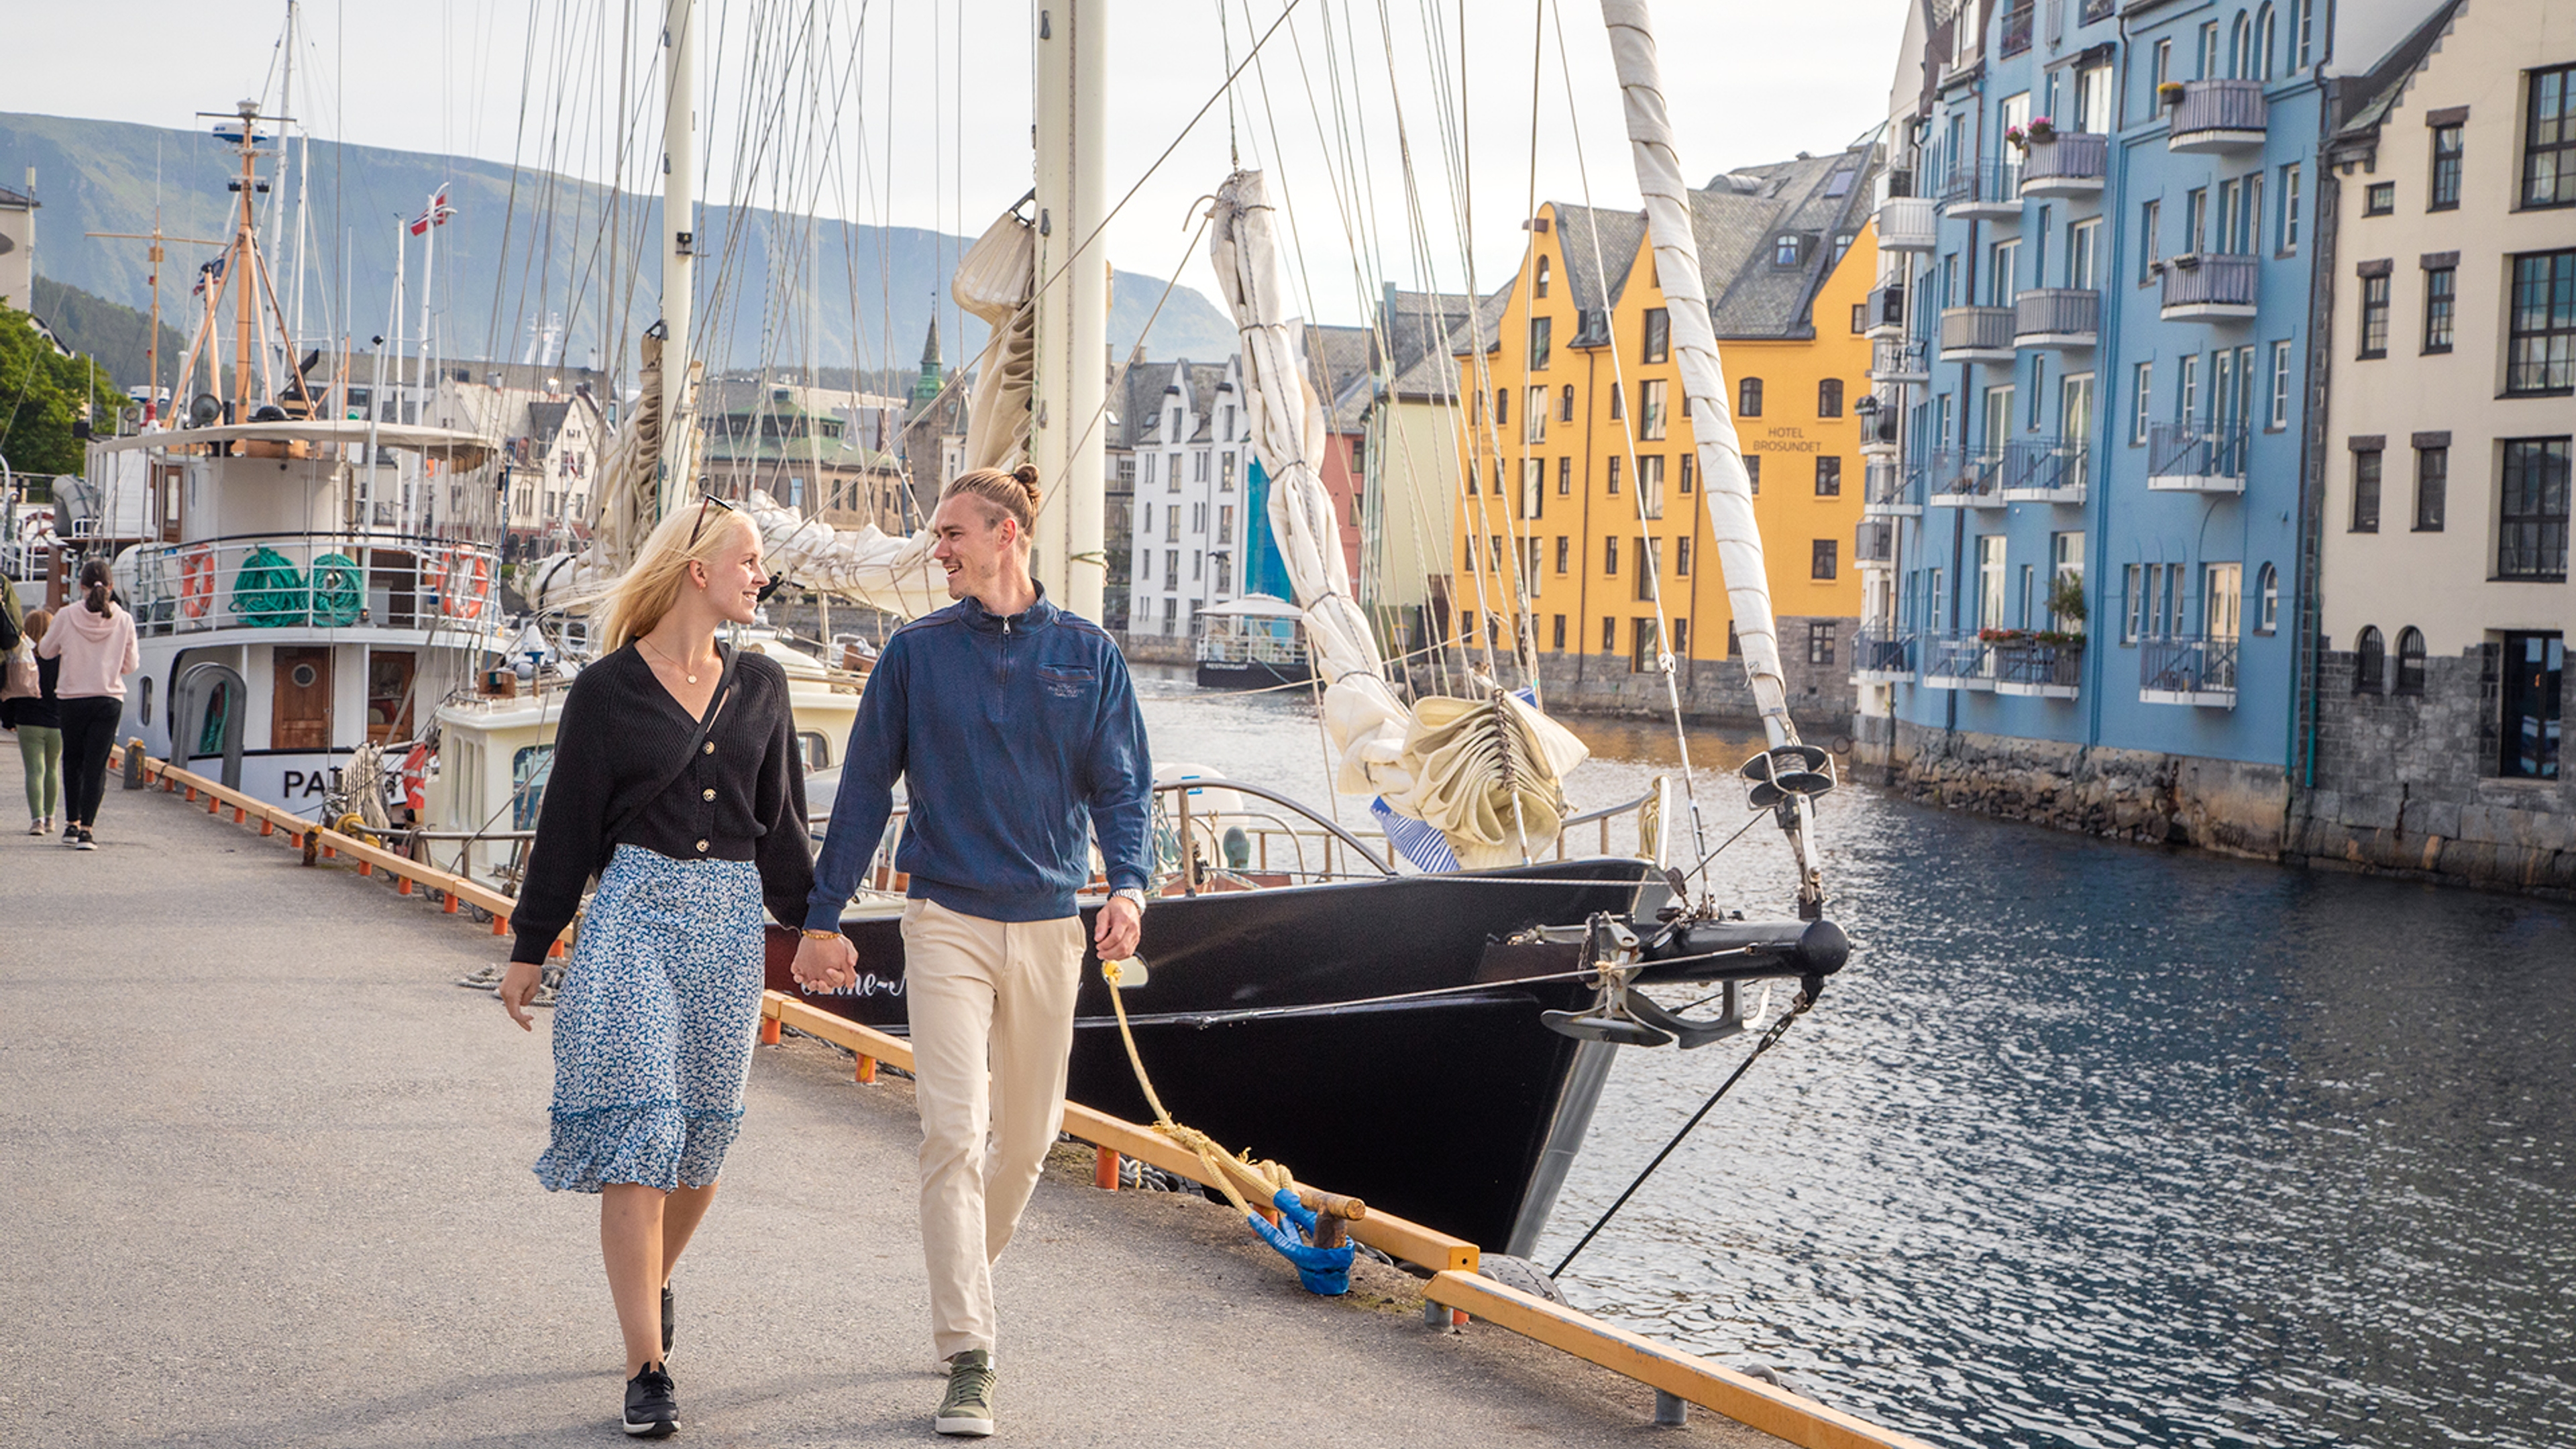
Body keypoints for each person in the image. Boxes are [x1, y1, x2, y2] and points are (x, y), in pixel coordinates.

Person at [797, 463, 1152, 1439]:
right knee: (954, 1132)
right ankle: (971, 1353)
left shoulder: (1088, 653)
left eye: (952, 534)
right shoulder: (916, 654)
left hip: (1049, 923)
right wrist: (826, 916)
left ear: (1007, 535)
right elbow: (864, 790)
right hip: (945, 919)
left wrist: (1128, 885)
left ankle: (963, 1286)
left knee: (1031, 1140)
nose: (937, 549)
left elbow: (1124, 789)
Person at [495, 497, 814, 1440]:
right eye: (751, 559)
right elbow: (566, 832)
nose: (764, 575)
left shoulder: (763, 687)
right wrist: (529, 946)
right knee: (643, 1133)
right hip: (633, 916)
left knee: (702, 1143)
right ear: (698, 570)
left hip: (729, 923)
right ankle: (648, 1368)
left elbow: (784, 833)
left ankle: (654, 1286)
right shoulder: (605, 692)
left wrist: (817, 926)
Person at [39, 562, 140, 851]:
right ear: (110, 587)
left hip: (72, 697)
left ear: (81, 586)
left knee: (73, 761)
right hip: (109, 698)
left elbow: (46, 651)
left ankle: (71, 825)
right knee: (96, 766)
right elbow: (131, 666)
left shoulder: (66, 615)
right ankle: (87, 831)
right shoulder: (124, 620)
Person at [4, 607, 65, 835]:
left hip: (28, 720)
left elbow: (9, 690)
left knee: (34, 771)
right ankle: (51, 819)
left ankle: (37, 821)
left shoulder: (21, 657)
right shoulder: (61, 659)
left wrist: (8, 720)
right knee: (52, 770)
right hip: (57, 722)